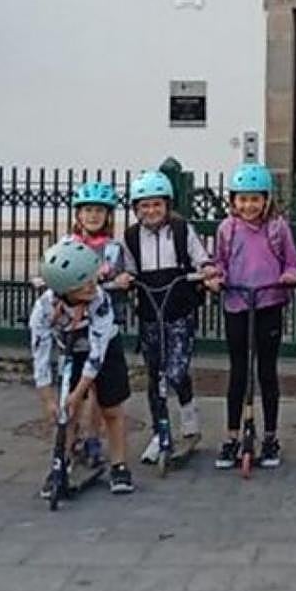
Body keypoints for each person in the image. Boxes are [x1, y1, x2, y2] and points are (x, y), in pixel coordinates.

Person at [116, 170, 214, 465]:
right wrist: (124, 278)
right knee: (154, 372)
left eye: (157, 204)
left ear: (167, 205)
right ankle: (160, 433)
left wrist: (207, 270)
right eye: (144, 206)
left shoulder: (182, 230)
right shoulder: (131, 237)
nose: (151, 211)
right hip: (149, 312)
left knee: (176, 370)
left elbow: (201, 258)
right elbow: (128, 268)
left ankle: (189, 420)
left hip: (179, 311)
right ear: (136, 209)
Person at [214, 163, 296, 470]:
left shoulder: (278, 228)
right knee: (238, 371)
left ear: (266, 200)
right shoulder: (227, 228)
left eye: (255, 199)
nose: (248, 205)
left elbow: (293, 264)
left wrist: (290, 276)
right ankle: (231, 436)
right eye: (242, 199)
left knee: (267, 371)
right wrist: (217, 278)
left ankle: (270, 435)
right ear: (233, 201)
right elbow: (219, 263)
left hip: (268, 303)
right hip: (238, 304)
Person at [29, 238, 134, 495]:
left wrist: (78, 394)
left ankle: (119, 465)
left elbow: (97, 356)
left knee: (111, 407)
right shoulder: (43, 309)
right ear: (64, 288)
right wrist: (48, 400)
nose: (92, 286)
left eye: (92, 278)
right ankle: (61, 463)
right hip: (70, 350)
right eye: (83, 282)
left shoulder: (100, 301)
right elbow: (40, 356)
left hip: (105, 348)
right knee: (67, 414)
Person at [62, 180, 126, 467]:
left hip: (105, 323)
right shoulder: (67, 246)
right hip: (74, 326)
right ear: (78, 215)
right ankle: (67, 444)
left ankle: (93, 438)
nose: (93, 216)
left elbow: (123, 277)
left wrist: (123, 280)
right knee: (74, 386)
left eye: (99, 211)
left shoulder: (114, 249)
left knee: (102, 389)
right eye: (87, 210)